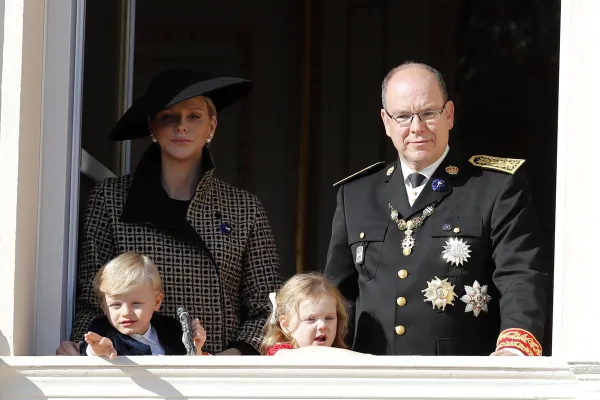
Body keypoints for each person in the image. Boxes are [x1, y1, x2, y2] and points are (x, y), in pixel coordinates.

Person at [324, 62, 548, 356]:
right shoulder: (355, 195)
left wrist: (514, 349)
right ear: (386, 122)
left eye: (428, 113)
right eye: (403, 116)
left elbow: (519, 274)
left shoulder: (493, 187)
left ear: (449, 115)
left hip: (460, 373)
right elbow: (336, 296)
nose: (417, 127)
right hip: (372, 370)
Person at [57, 68, 282, 356]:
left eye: (194, 116)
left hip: (219, 368)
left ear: (212, 125)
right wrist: (82, 346)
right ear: (152, 126)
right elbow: (92, 300)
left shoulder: (244, 208)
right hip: (134, 367)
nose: (181, 126)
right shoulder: (110, 199)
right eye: (169, 116)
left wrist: (231, 357)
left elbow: (268, 307)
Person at [81, 252, 208, 357]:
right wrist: (97, 350)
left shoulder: (171, 330)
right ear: (104, 306)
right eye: (116, 305)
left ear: (156, 302)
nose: (126, 312)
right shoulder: (103, 330)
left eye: (136, 303)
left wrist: (196, 349)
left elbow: (189, 370)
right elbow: (86, 350)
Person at [260, 272, 365, 357]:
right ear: (286, 324)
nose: (322, 325)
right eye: (311, 319)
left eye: (329, 318)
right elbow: (304, 355)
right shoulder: (281, 352)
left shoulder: (335, 352)